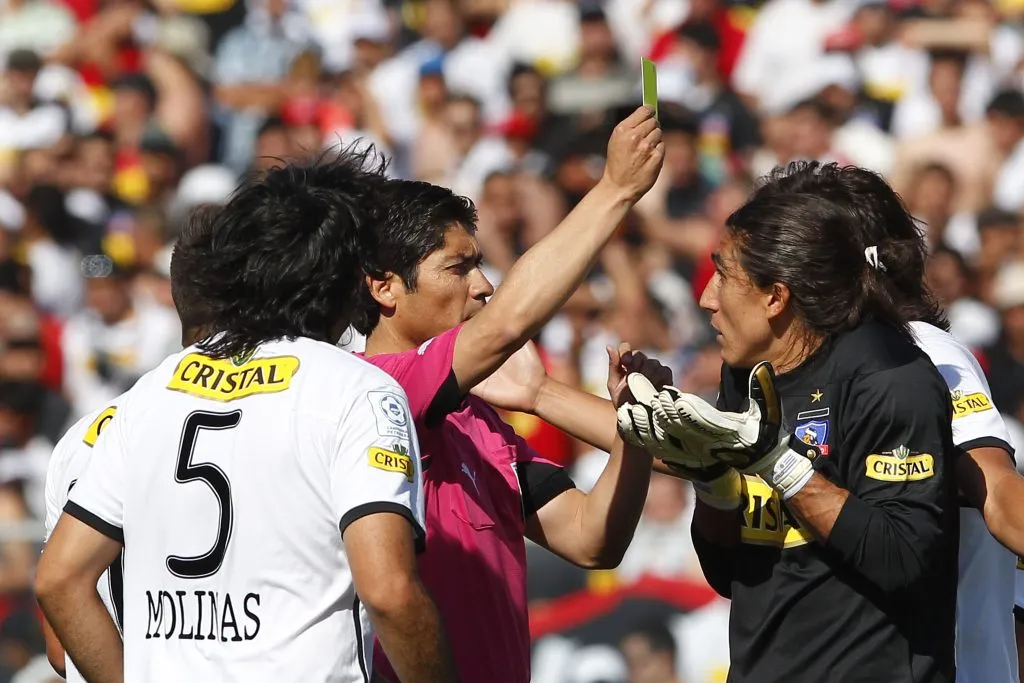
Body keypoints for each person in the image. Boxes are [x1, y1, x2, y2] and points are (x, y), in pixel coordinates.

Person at [34, 152, 456, 683]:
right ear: (349, 280)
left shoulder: (151, 392)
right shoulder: (358, 389)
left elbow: (60, 580)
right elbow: (390, 592)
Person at [354, 105, 666, 683]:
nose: (483, 285)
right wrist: (616, 190)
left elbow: (591, 539)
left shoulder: (475, 418)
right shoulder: (371, 390)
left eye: (479, 264)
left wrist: (629, 427)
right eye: (458, 268)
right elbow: (506, 323)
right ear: (384, 287)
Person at [618, 162, 960, 683]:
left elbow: (905, 559)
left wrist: (775, 461)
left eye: (723, 275)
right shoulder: (748, 372)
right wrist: (710, 476)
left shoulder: (889, 377)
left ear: (775, 296)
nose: (706, 297)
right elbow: (729, 574)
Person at [752, 164, 1022, 683]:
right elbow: (688, 442)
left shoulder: (922, 354)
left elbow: (999, 495)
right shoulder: (796, 368)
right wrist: (542, 394)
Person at [38, 218, 220, 682]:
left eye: (109, 283)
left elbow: (62, 647)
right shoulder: (80, 332)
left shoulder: (154, 327)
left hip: (94, 440)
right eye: (92, 286)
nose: (100, 295)